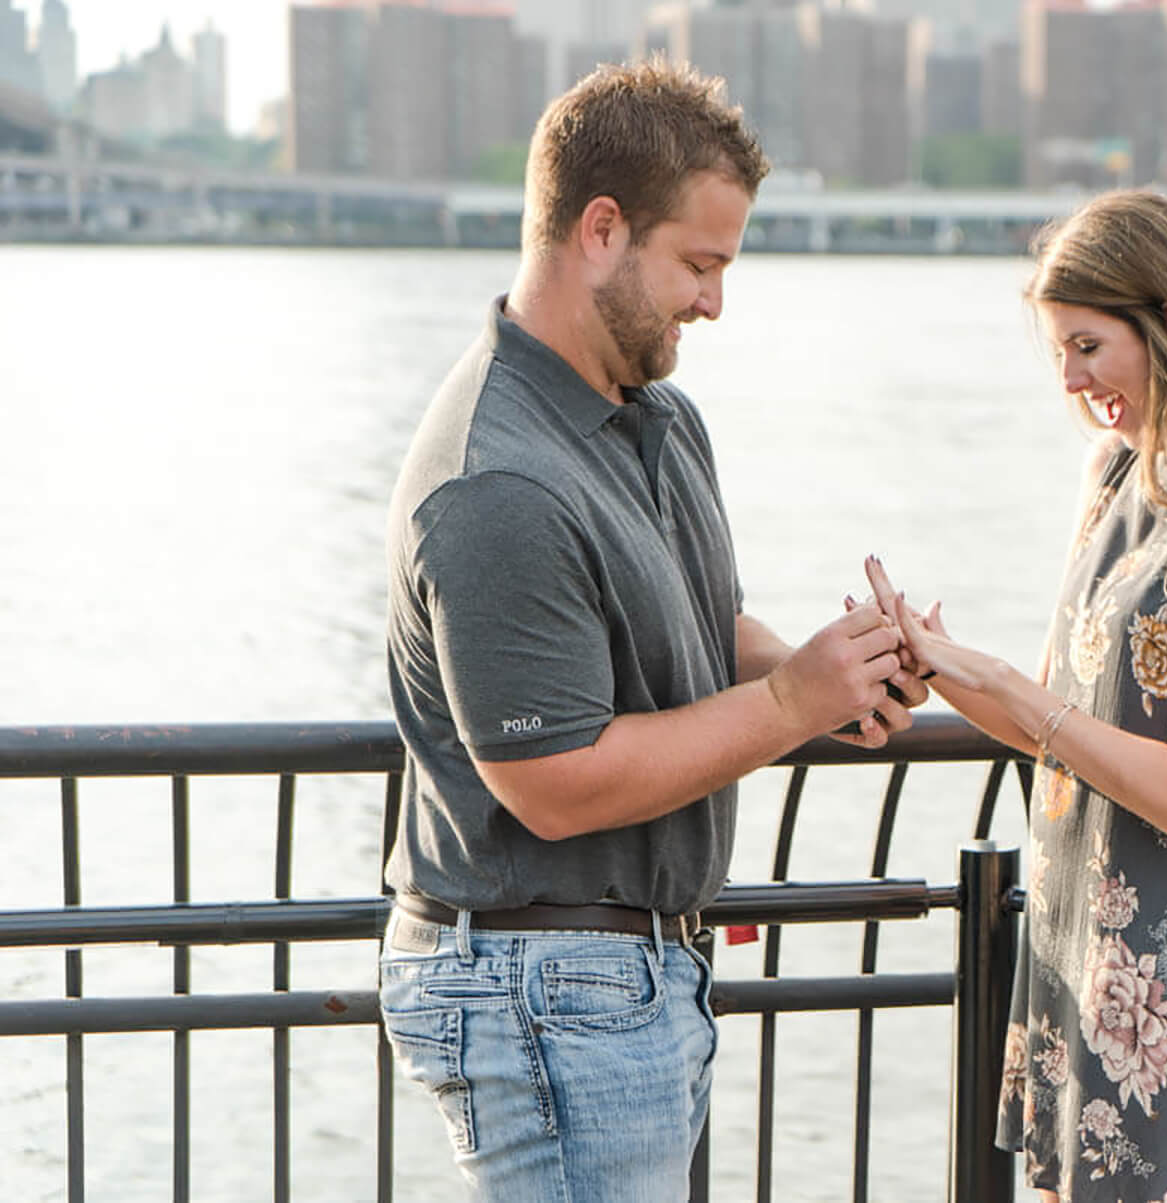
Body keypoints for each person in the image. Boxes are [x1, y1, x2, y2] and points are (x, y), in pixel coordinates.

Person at [378, 60, 925, 1201]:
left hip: (619, 975)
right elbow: (554, 781)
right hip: (543, 985)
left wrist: (838, 676)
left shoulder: (657, 416)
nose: (715, 303)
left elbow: (697, 626)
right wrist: (790, 706)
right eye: (700, 265)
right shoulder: (496, 483)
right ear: (601, 228)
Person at [865, 190, 1167, 1202]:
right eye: (1059, 357)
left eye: (1087, 346)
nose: (1073, 384)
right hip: (1075, 957)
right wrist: (936, 661)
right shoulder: (1115, 471)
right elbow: (1056, 722)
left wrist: (998, 684)